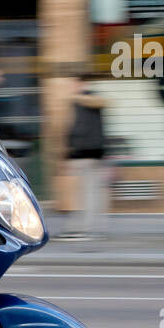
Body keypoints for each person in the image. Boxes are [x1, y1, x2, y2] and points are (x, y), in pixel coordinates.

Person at [65, 75, 109, 240]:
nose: (72, 87)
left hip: (88, 153)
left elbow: (79, 128)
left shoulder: (88, 99)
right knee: (87, 192)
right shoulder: (82, 102)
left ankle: (88, 228)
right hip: (87, 154)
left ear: (83, 83)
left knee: (88, 192)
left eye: (75, 83)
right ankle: (87, 226)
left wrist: (79, 97)